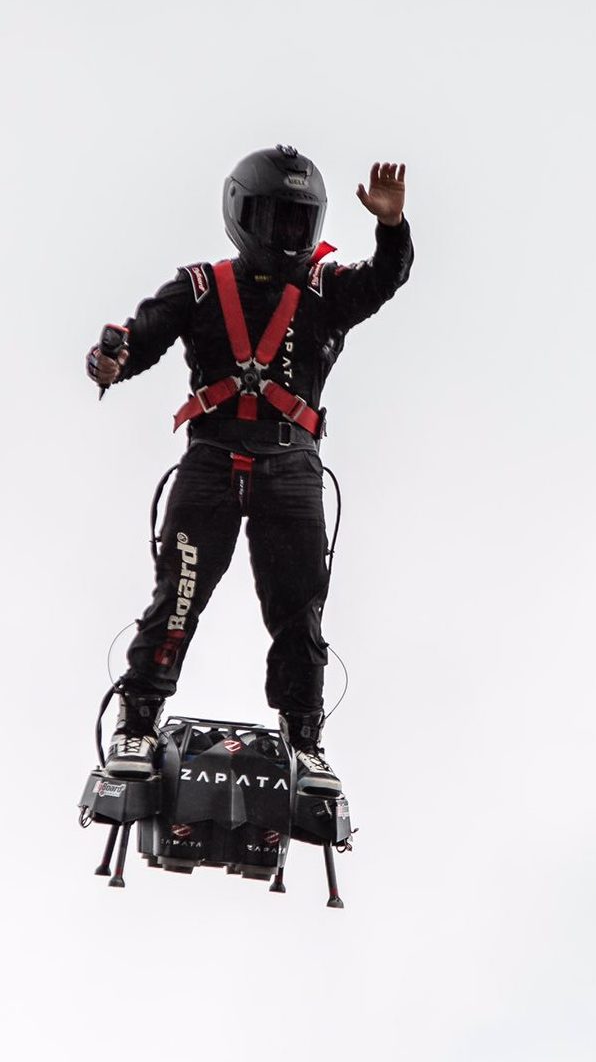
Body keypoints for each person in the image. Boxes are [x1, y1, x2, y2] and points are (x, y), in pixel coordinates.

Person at [86, 145, 412, 799]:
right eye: (275, 219)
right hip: (210, 463)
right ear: (243, 216)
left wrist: (390, 224)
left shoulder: (326, 292)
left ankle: (304, 741)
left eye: (299, 222)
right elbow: (141, 336)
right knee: (175, 602)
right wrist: (112, 360)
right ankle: (137, 726)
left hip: (290, 468)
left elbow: (386, 276)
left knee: (299, 617)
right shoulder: (200, 287)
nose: (287, 234)